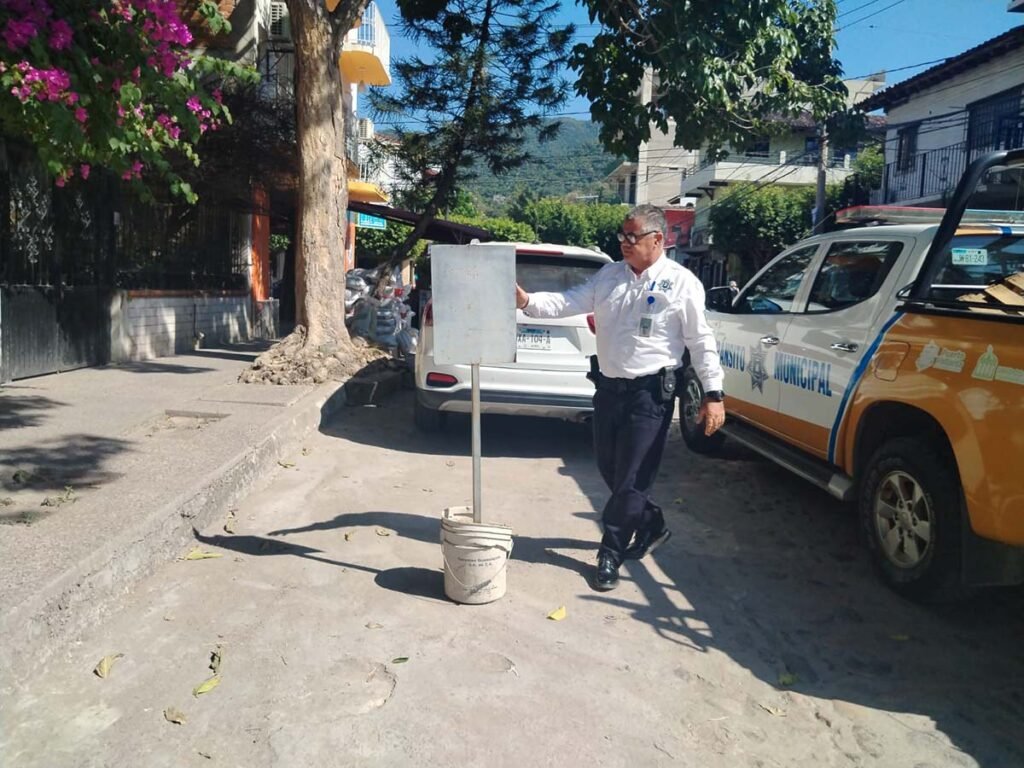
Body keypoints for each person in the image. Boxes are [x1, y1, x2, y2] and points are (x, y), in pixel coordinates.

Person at [514, 204, 726, 591]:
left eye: (633, 237)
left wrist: (713, 393)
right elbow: (567, 302)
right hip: (609, 390)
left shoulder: (681, 283)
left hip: (651, 395)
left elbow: (701, 341)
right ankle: (652, 523)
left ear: (658, 240)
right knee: (611, 469)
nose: (625, 244)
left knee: (631, 479)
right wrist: (526, 301)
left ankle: (610, 551)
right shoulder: (609, 276)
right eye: (622, 237)